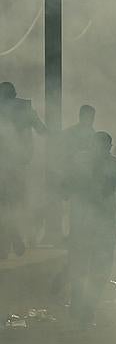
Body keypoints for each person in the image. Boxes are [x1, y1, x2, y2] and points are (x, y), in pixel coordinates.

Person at [65, 131, 116, 329]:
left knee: (100, 265)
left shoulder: (115, 165)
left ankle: (88, 306)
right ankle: (79, 300)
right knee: (81, 263)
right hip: (84, 221)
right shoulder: (79, 161)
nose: (100, 149)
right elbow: (67, 186)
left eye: (104, 146)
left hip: (103, 222)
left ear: (109, 147)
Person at [0, 82, 46, 257]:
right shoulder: (24, 109)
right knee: (13, 204)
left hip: (9, 166)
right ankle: (12, 239)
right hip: (18, 166)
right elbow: (42, 130)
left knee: (6, 205)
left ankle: (8, 242)